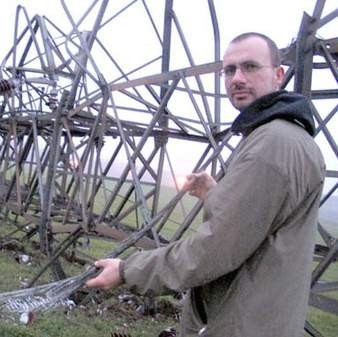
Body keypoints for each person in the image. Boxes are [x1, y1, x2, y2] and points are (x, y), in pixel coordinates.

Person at [86, 32, 325, 337]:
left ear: (278, 75)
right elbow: (256, 224)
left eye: (250, 67)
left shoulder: (272, 143)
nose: (237, 78)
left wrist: (126, 270)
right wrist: (216, 195)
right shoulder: (284, 137)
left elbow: (215, 248)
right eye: (229, 70)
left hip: (245, 323)